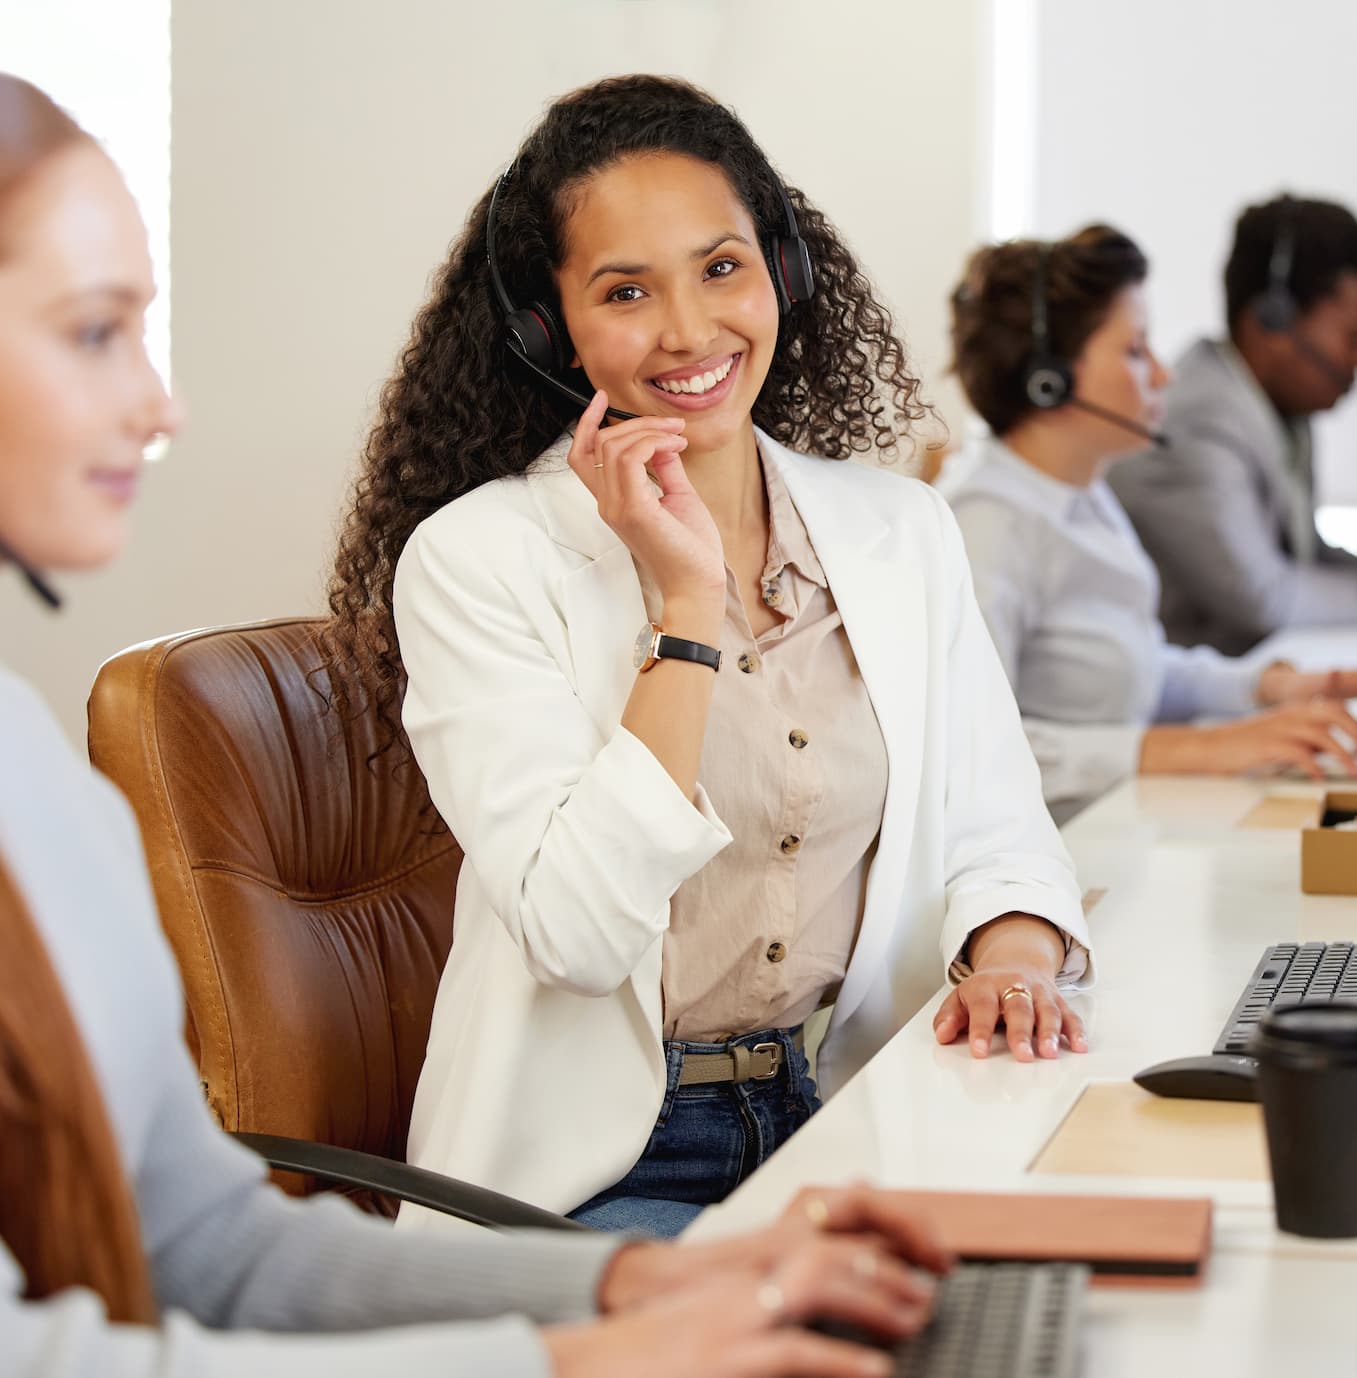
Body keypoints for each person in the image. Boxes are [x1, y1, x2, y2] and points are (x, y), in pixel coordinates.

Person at [0, 71, 953, 1378]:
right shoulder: (482, 557)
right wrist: (585, 1358)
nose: (160, 405)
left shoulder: (28, 771)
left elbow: (218, 1249)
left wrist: (636, 1281)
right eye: (95, 332)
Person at [320, 75, 1094, 1239]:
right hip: (603, 1169)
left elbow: (995, 824)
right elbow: (578, 936)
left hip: (859, 1112)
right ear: (548, 328)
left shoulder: (899, 533)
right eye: (626, 290)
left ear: (783, 269)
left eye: (721, 267)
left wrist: (1015, 959)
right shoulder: (477, 559)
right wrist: (687, 606)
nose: (689, 331)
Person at [942, 226, 1357, 822]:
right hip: (1038, 860)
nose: (1164, 374)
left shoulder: (1083, 497)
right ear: (1048, 378)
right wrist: (1203, 748)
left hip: (1112, 825)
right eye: (1136, 351)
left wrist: (1265, 690)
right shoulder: (987, 527)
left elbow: (1130, 667)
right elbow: (966, 750)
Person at [1106, 194, 1357, 654]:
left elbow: (1305, 556)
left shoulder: (1278, 412)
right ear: (1271, 321)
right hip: (1179, 706)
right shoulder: (1197, 424)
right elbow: (1266, 600)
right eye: (1351, 335)